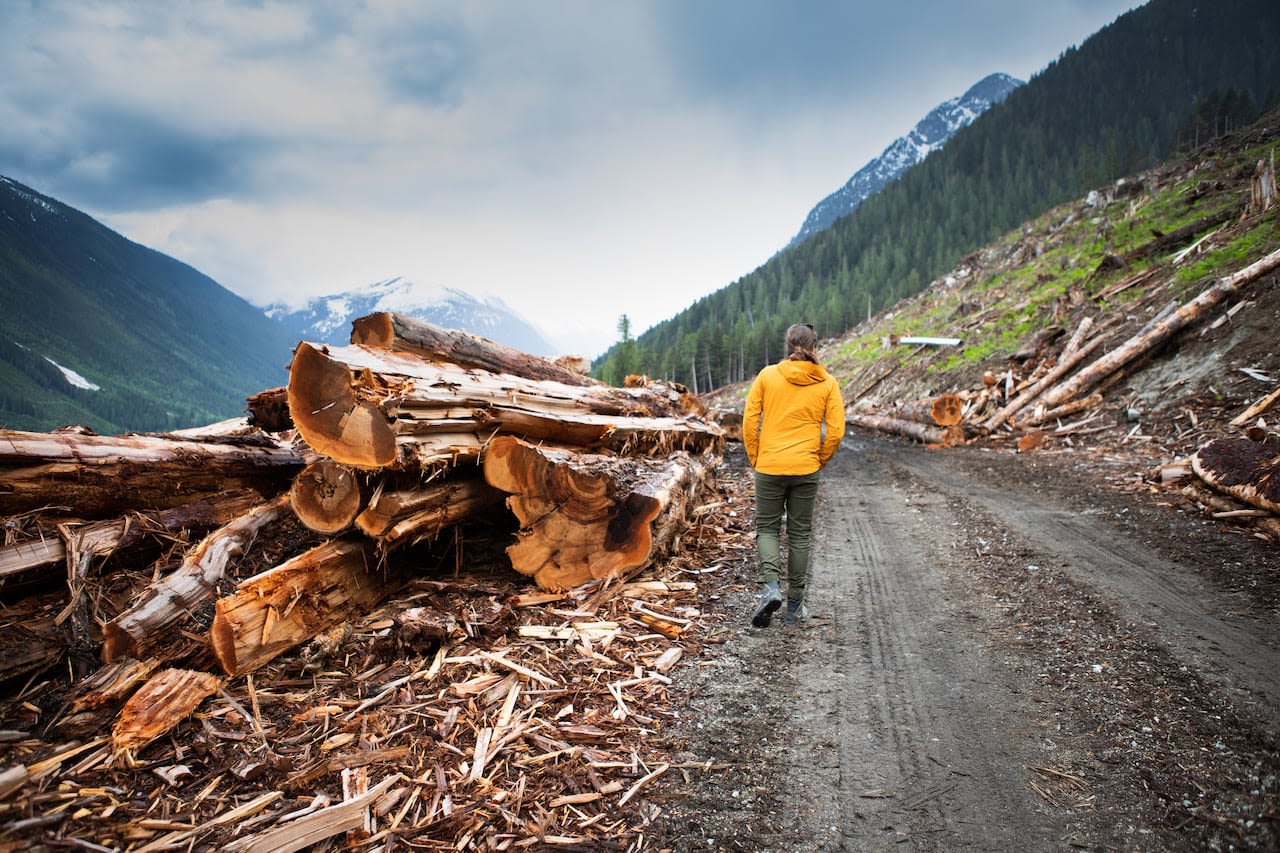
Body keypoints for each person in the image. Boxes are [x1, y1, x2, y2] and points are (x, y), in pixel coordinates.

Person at [742, 323, 845, 627]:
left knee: (768, 529)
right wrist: (819, 460)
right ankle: (795, 608)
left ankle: (771, 588)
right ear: (816, 346)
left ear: (788, 345)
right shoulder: (827, 382)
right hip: (806, 467)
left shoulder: (767, 376)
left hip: (769, 465)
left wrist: (756, 457)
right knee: (800, 534)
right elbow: (837, 431)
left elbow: (750, 421)